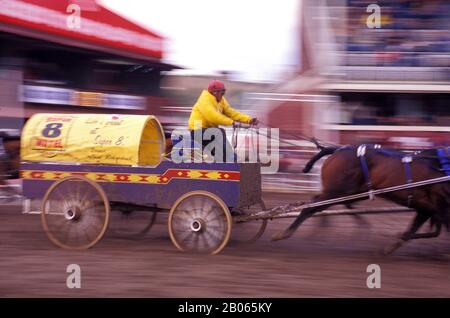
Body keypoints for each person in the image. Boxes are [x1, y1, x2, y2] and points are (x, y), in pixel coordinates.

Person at [188, 80, 258, 162]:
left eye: (223, 92)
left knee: (220, 132)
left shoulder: (221, 100)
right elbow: (213, 116)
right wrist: (231, 122)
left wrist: (248, 120)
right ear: (215, 92)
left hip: (208, 131)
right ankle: (230, 159)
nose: (223, 95)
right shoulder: (204, 100)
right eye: (222, 93)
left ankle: (227, 159)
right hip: (197, 131)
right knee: (218, 132)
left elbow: (231, 112)